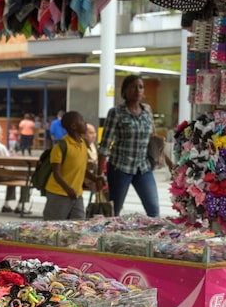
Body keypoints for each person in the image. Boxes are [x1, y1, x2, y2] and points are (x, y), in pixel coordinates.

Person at [97, 75, 160, 217]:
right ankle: (109, 237)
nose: (137, 90)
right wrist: (99, 173)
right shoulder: (116, 113)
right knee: (114, 211)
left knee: (154, 209)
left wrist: (167, 160)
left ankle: (155, 237)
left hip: (143, 167)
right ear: (124, 91)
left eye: (141, 87)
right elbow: (105, 145)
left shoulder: (147, 111)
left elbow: (152, 139)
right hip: (120, 167)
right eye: (133, 87)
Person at [42, 111, 89, 221]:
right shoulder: (61, 146)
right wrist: (68, 189)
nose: (85, 123)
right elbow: (56, 173)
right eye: (82, 121)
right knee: (54, 226)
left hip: (76, 194)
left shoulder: (83, 144)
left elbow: (81, 168)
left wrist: (95, 178)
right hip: (58, 193)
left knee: (78, 225)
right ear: (73, 126)